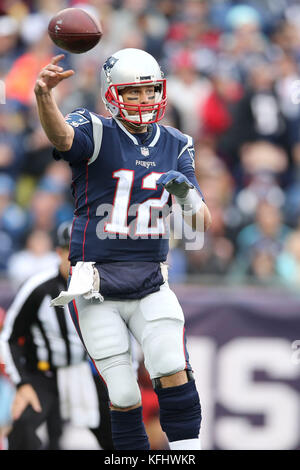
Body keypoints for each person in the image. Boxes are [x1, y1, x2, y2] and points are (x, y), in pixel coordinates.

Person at [34, 48, 211, 451]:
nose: (145, 100)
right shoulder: (93, 128)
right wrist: (45, 97)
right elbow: (61, 136)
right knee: (125, 392)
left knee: (171, 366)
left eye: (150, 91)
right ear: (113, 95)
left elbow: (202, 222)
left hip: (150, 278)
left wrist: (185, 196)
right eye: (134, 92)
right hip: (96, 284)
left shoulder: (177, 142)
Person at [0, 222, 114, 450]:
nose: (79, 263)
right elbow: (10, 337)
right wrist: (22, 383)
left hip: (83, 371)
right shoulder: (38, 288)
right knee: (23, 430)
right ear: (60, 252)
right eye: (73, 255)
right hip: (42, 374)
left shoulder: (102, 286)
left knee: (118, 433)